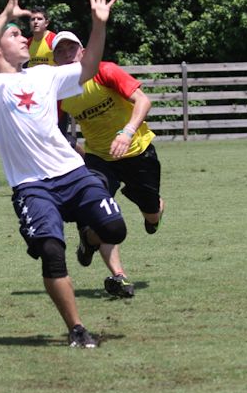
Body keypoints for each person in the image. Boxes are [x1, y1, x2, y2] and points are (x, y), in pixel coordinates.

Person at [0, 0, 124, 348]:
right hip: (31, 186)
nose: (25, 38)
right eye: (15, 35)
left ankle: (89, 237)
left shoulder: (44, 74)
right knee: (52, 253)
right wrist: (5, 15)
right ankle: (77, 328)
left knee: (115, 230)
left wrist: (99, 24)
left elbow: (89, 67)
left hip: (72, 173)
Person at [52, 32, 165, 298]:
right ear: (55, 60)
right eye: (60, 51)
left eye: (72, 48)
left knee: (152, 214)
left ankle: (93, 236)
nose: (67, 55)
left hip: (138, 151)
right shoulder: (58, 91)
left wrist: (127, 133)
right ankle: (119, 276)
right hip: (99, 159)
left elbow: (143, 101)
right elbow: (54, 130)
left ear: (83, 51)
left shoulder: (105, 71)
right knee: (102, 216)